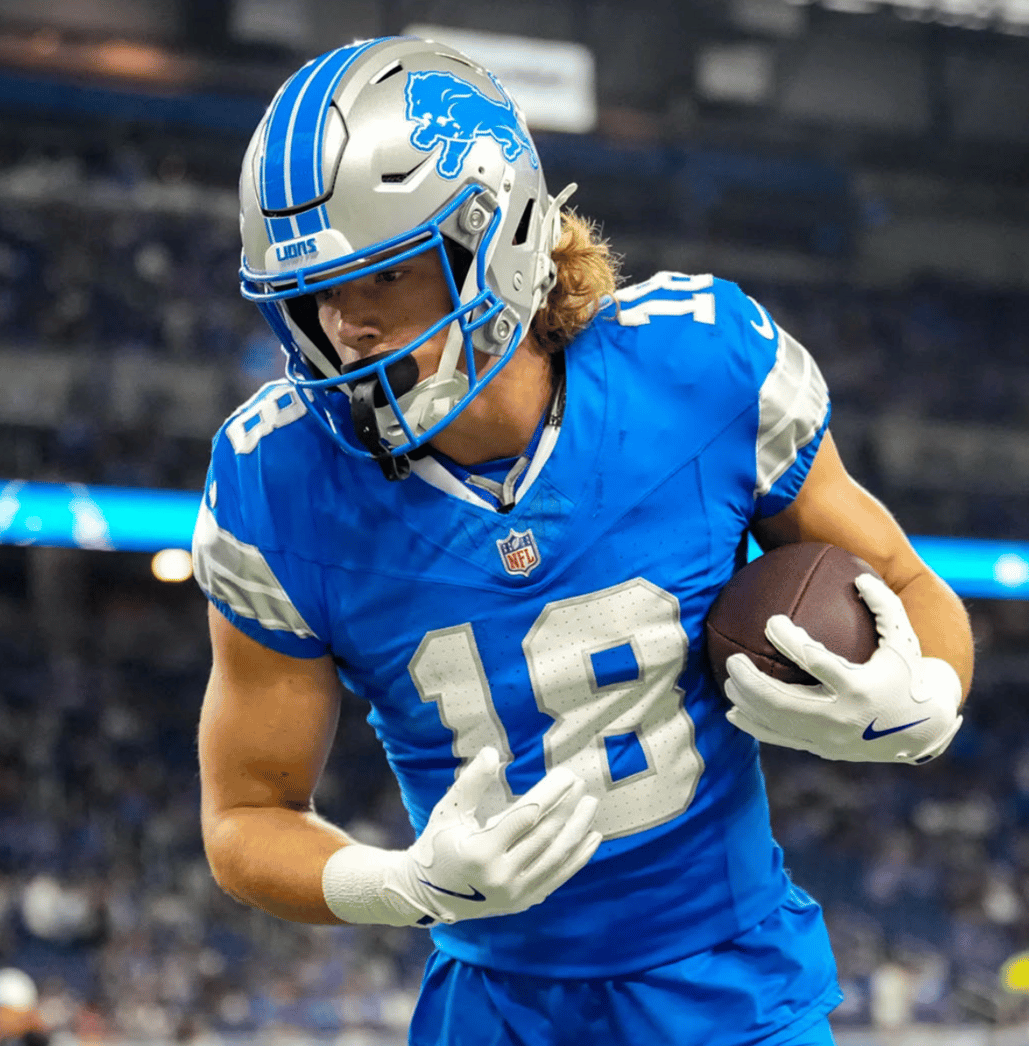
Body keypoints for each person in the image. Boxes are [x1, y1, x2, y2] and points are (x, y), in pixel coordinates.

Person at [193, 36, 974, 1046]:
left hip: (730, 994)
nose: (343, 328)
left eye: (381, 276)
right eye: (313, 294)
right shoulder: (276, 477)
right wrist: (402, 882)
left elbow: (907, 584)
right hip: (497, 1010)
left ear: (498, 236)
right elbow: (244, 816)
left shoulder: (699, 362)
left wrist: (928, 699)